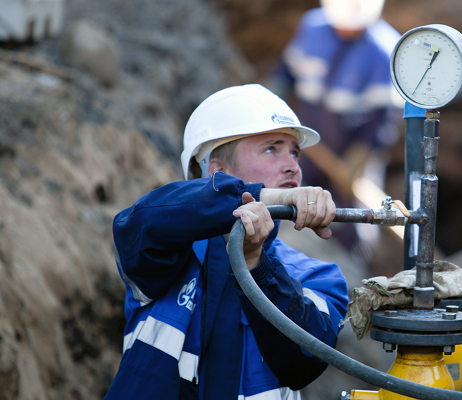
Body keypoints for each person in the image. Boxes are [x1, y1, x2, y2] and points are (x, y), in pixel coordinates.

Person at [105, 84, 349, 399]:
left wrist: (256, 266)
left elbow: (302, 364)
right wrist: (262, 195)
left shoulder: (318, 276)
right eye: (272, 148)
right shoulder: (167, 253)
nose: (293, 165)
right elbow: (136, 223)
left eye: (295, 152)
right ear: (217, 172)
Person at [266, 0, 402, 263]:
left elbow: (383, 118)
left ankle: (352, 272)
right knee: (295, 204)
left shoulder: (384, 50)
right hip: (308, 144)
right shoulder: (313, 27)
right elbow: (286, 72)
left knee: (352, 220)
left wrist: (360, 158)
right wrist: (268, 100)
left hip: (352, 151)